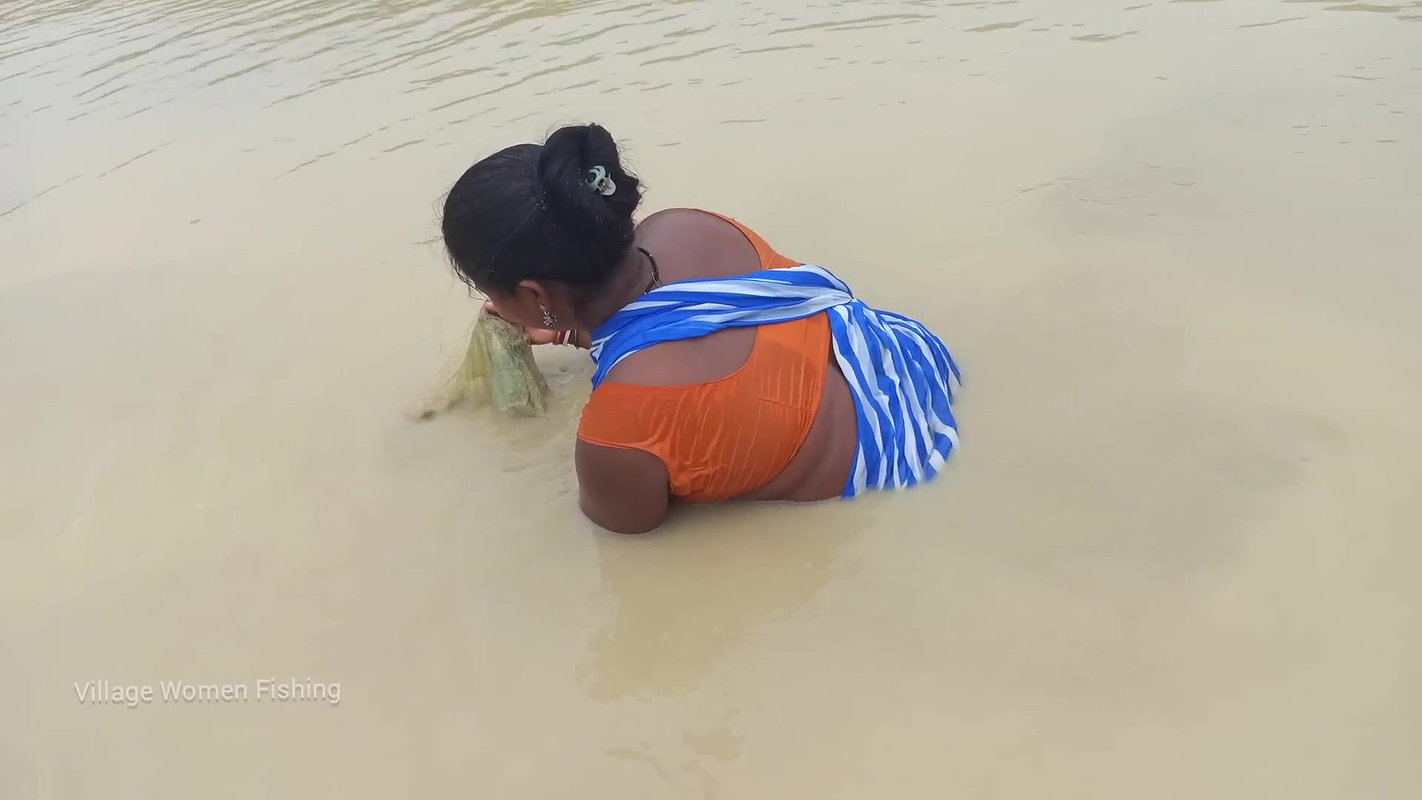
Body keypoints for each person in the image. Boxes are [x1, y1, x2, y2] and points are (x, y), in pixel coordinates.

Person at [439, 123, 962, 534]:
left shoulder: (619, 432)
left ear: (534, 295)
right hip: (912, 370)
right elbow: (695, 321)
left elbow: (629, 539)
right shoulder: (687, 225)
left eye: (486, 290)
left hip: (891, 477)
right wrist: (577, 330)